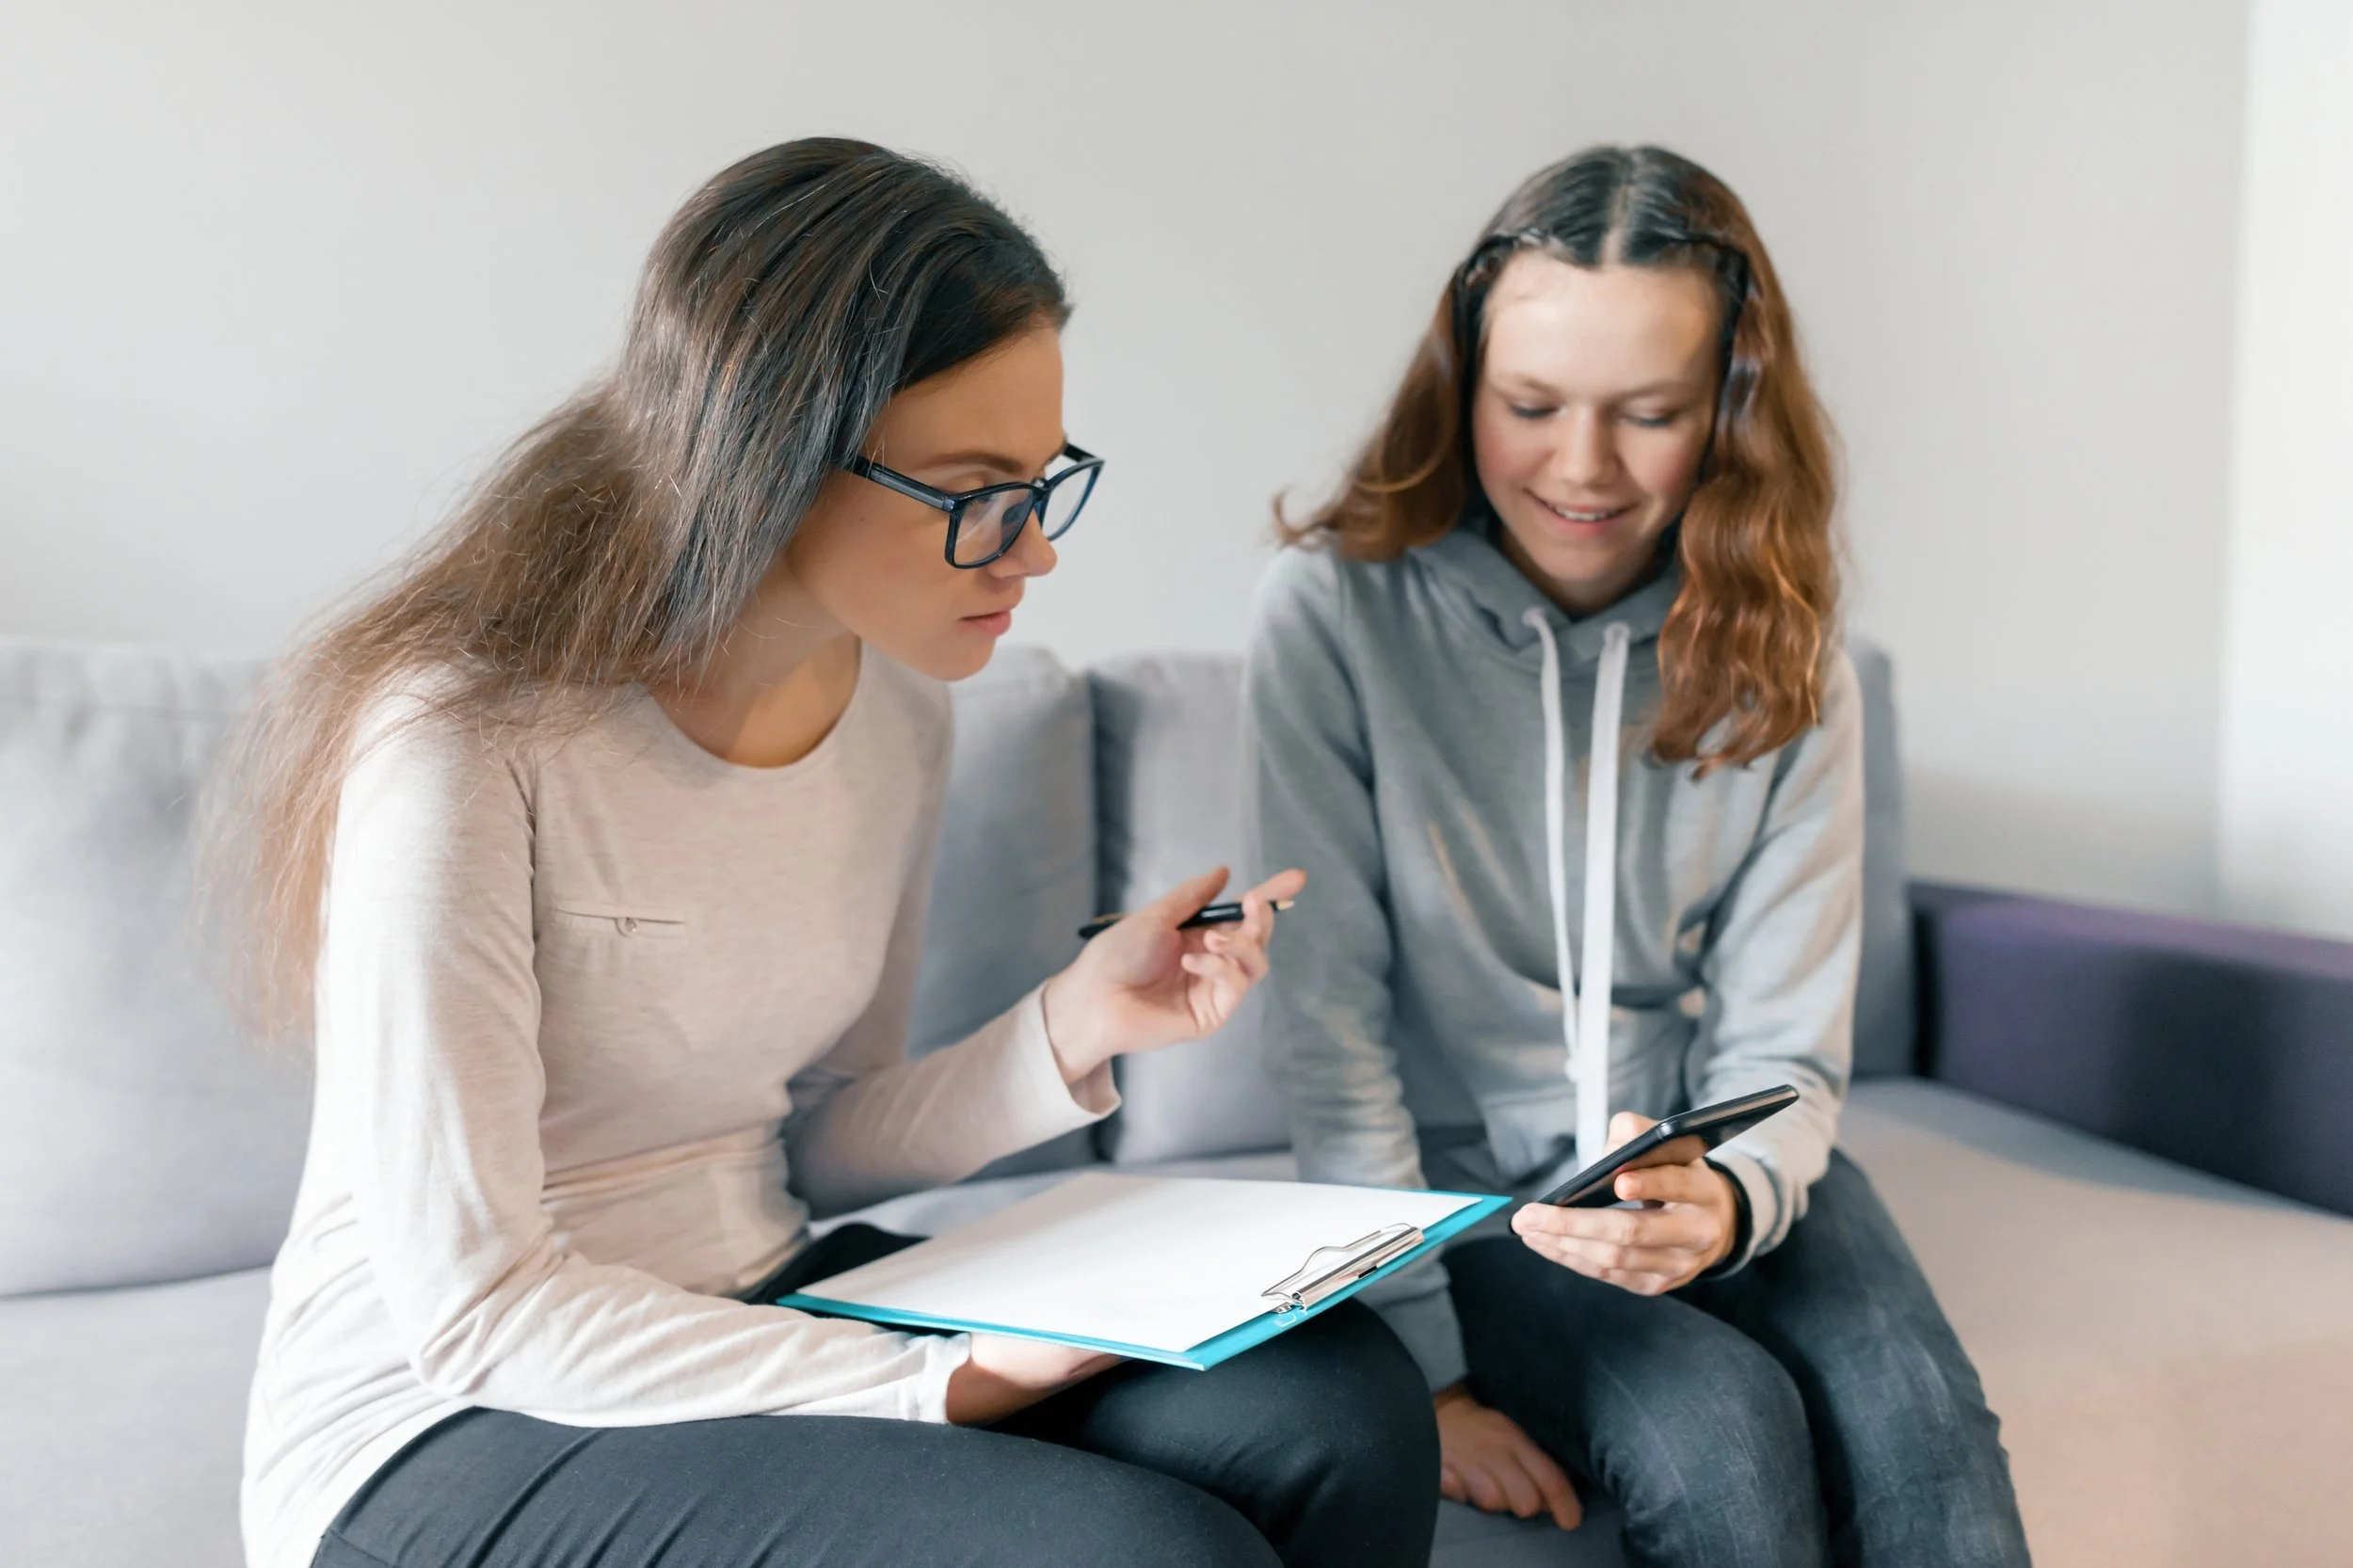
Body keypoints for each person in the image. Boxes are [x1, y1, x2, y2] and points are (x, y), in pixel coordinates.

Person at [220, 138, 1436, 1568]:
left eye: (1045, 483)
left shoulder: (900, 716)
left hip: (755, 1286)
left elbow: (813, 1131)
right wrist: (941, 1378)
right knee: (1135, 1551)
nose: (1030, 551)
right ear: (770, 454)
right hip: (437, 1413)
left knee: (1341, 1406)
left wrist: (1074, 1023)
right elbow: (477, 1304)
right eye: (980, 490)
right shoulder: (465, 739)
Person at [1244, 144, 2032, 1566]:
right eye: (1530, 405)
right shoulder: (1331, 616)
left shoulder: (1789, 653)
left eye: (1652, 414)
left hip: (1708, 1148)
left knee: (1927, 1431)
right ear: (1462, 382)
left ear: (1728, 410)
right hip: (1471, 1198)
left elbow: (1788, 1048)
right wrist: (1428, 1368)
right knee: (1716, 1434)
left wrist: (1726, 1199)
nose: (1584, 468)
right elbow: (1330, 1028)